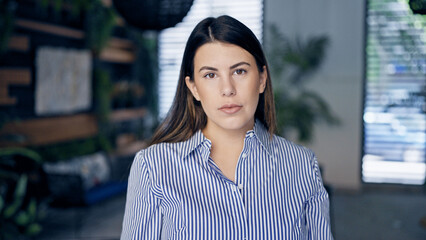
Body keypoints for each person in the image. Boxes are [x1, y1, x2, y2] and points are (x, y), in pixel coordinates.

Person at [121, 15, 333, 239]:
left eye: (239, 71)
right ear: (193, 88)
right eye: (210, 75)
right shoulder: (153, 167)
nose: (227, 89)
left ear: (261, 79)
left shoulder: (301, 165)